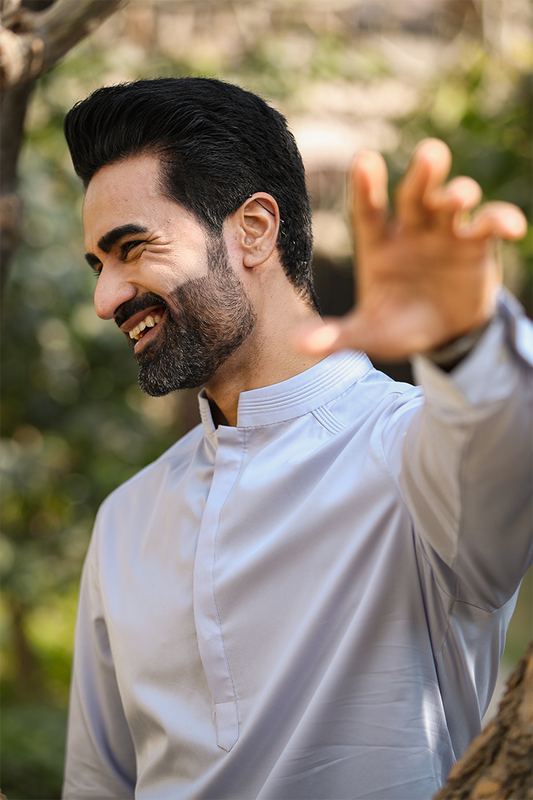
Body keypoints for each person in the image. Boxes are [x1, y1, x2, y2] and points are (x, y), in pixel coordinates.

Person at [61, 77, 533, 800]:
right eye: (99, 265)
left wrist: (465, 344)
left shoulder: (411, 451)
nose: (105, 299)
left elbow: (505, 439)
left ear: (252, 229)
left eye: (133, 248)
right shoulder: (125, 521)